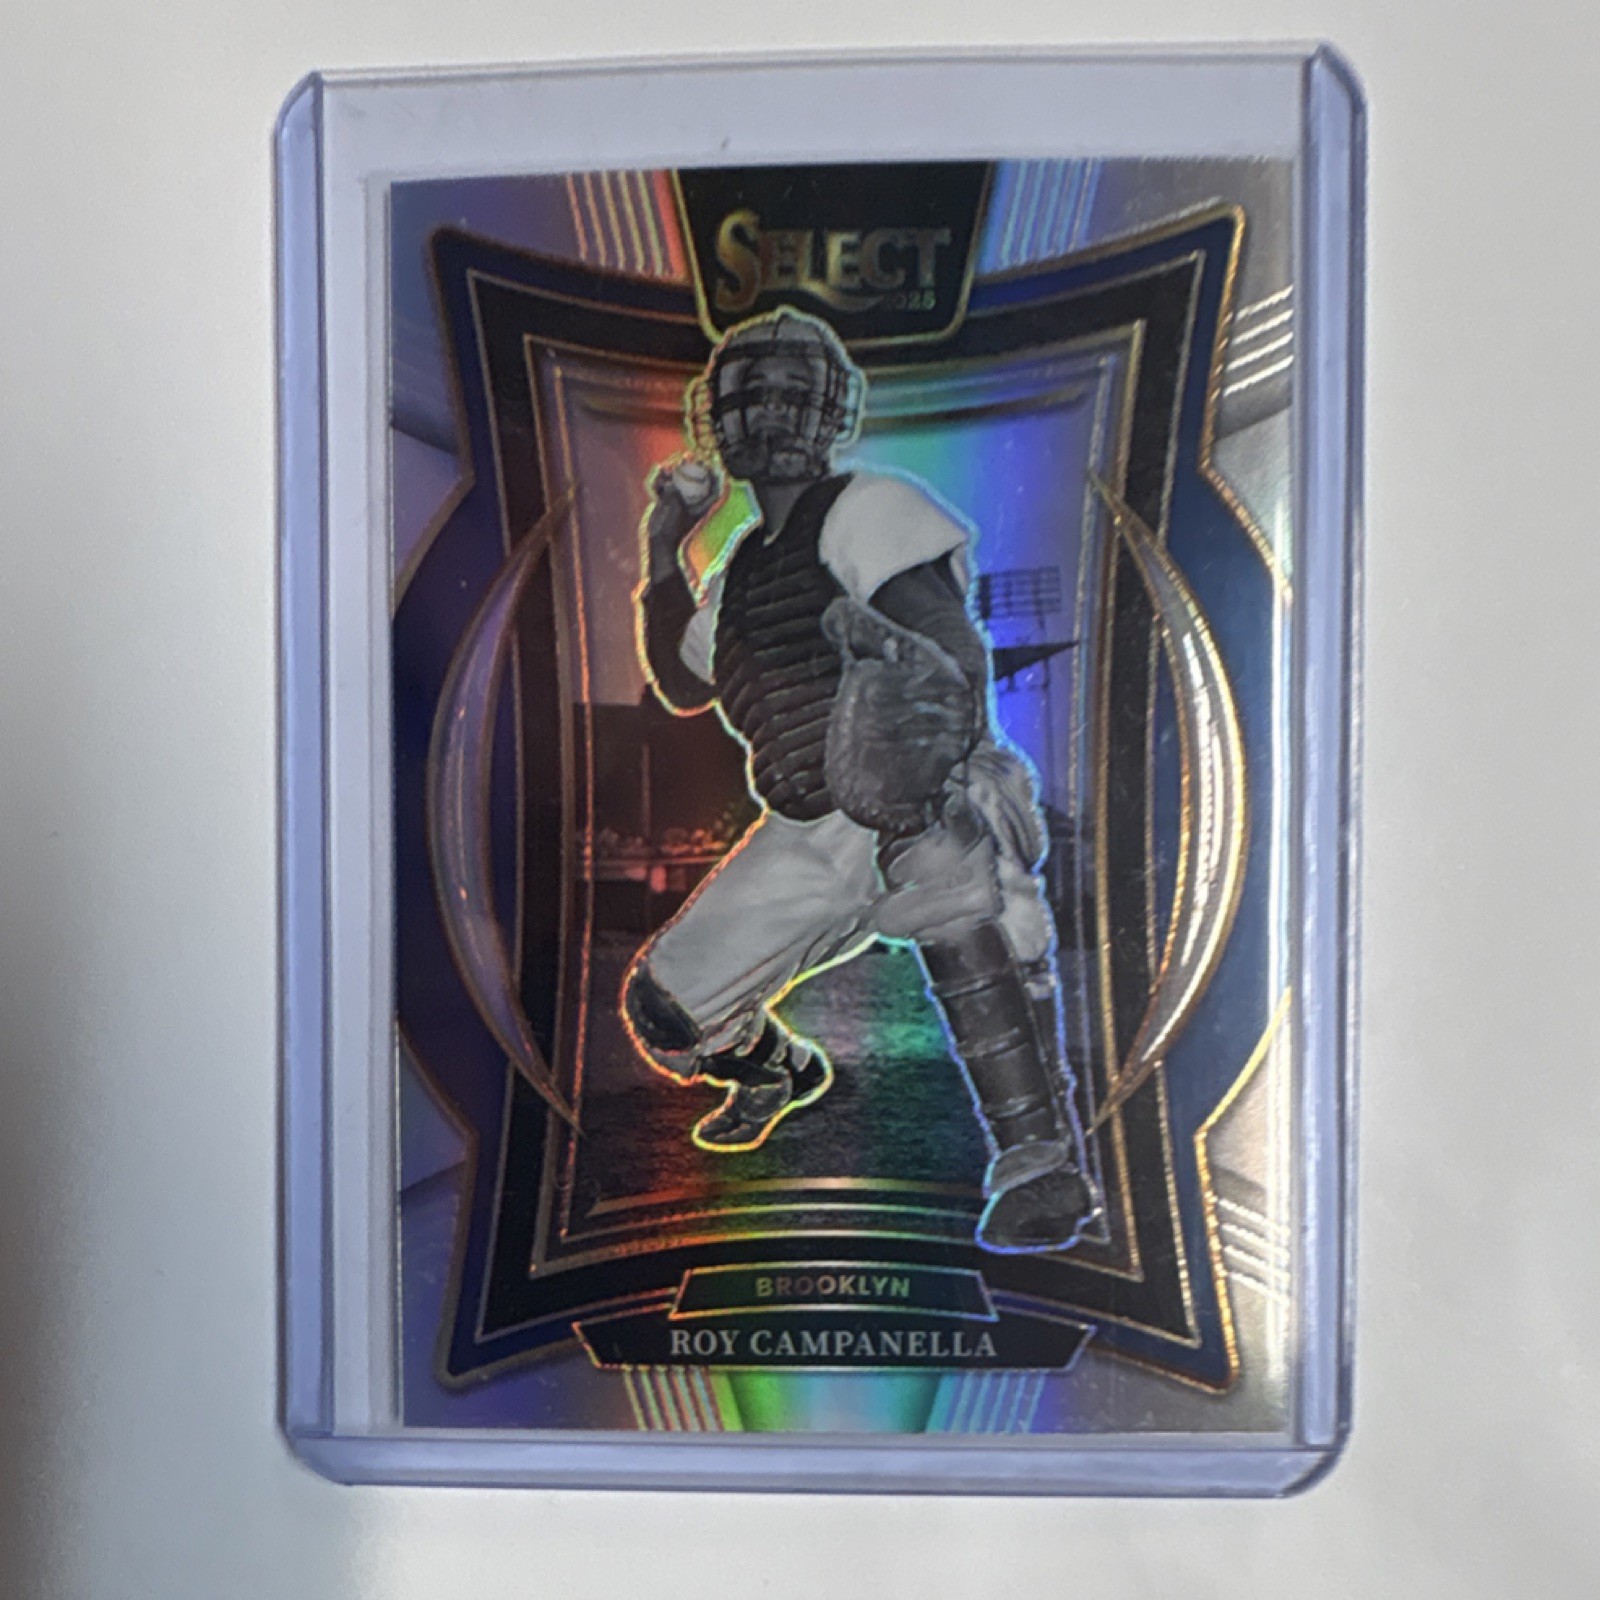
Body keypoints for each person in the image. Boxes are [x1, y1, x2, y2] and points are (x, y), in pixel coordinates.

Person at [621, 308, 1098, 1253]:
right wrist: (665, 544)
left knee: (942, 871)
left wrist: (917, 764)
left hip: (927, 778)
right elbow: (679, 681)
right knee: (663, 1010)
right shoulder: (743, 567)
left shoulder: (869, 505)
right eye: (748, 395)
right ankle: (780, 1072)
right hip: (809, 819)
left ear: (829, 409)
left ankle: (1038, 1160)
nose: (767, 413)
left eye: (787, 392)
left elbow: (950, 659)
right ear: (717, 416)